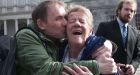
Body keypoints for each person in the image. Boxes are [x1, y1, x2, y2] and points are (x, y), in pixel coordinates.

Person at [16, 1, 115, 75]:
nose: (65, 23)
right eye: (58, 18)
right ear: (41, 24)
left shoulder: (56, 38)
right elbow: (45, 69)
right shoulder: (27, 36)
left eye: (65, 18)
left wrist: (106, 43)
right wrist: (96, 66)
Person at [62, 5, 117, 75]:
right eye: (72, 21)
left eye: (82, 21)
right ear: (65, 29)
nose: (77, 23)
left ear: (90, 31)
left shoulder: (100, 52)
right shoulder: (57, 50)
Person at [96, 0, 140, 75]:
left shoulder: (135, 33)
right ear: (119, 10)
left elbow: (138, 55)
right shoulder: (104, 27)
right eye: (126, 9)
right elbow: (96, 51)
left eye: (132, 11)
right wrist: (112, 65)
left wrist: (133, 66)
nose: (129, 13)